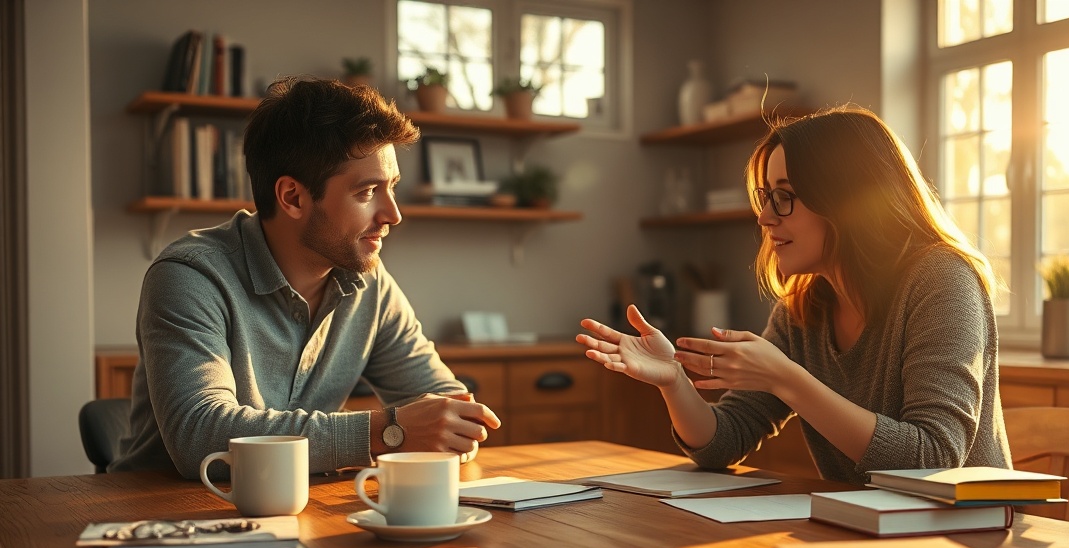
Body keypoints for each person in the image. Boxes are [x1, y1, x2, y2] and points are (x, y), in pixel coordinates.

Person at [577, 105, 1010, 485]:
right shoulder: (804, 308)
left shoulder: (943, 279)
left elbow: (932, 458)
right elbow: (722, 442)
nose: (764, 217)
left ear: (845, 200)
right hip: (869, 538)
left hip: (970, 540)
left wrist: (786, 378)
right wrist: (674, 381)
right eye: (766, 197)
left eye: (784, 197)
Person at [109, 76, 500, 479]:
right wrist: (392, 431)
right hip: (165, 516)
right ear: (292, 197)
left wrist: (450, 426)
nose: (392, 215)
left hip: (300, 506)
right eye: (367, 192)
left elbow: (443, 403)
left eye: (393, 187)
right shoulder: (190, 277)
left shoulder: (369, 282)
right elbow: (201, 436)